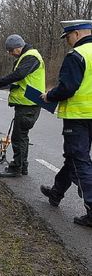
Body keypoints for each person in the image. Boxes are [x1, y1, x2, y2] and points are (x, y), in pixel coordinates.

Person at [40, 19, 92, 227]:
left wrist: (49, 96)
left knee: (79, 161)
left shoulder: (77, 55)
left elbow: (67, 88)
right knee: (73, 158)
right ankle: (56, 192)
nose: (68, 42)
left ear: (78, 34)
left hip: (79, 117)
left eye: (68, 37)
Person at [0, 34, 45, 177]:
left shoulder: (31, 56)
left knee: (18, 137)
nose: (10, 54)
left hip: (29, 104)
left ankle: (16, 167)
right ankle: (23, 166)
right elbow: (22, 80)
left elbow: (19, 74)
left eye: (11, 51)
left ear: (17, 47)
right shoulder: (27, 56)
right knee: (22, 136)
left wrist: (1, 81)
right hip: (28, 103)